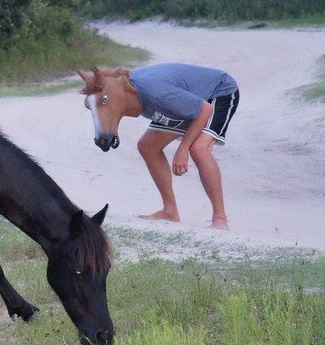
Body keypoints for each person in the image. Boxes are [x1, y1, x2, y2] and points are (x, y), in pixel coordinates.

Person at [78, 63, 240, 229]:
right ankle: (170, 211)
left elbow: (204, 110)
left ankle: (220, 217)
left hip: (217, 92)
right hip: (186, 100)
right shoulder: (136, 92)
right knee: (148, 146)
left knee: (198, 149)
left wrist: (182, 149)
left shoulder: (156, 94)